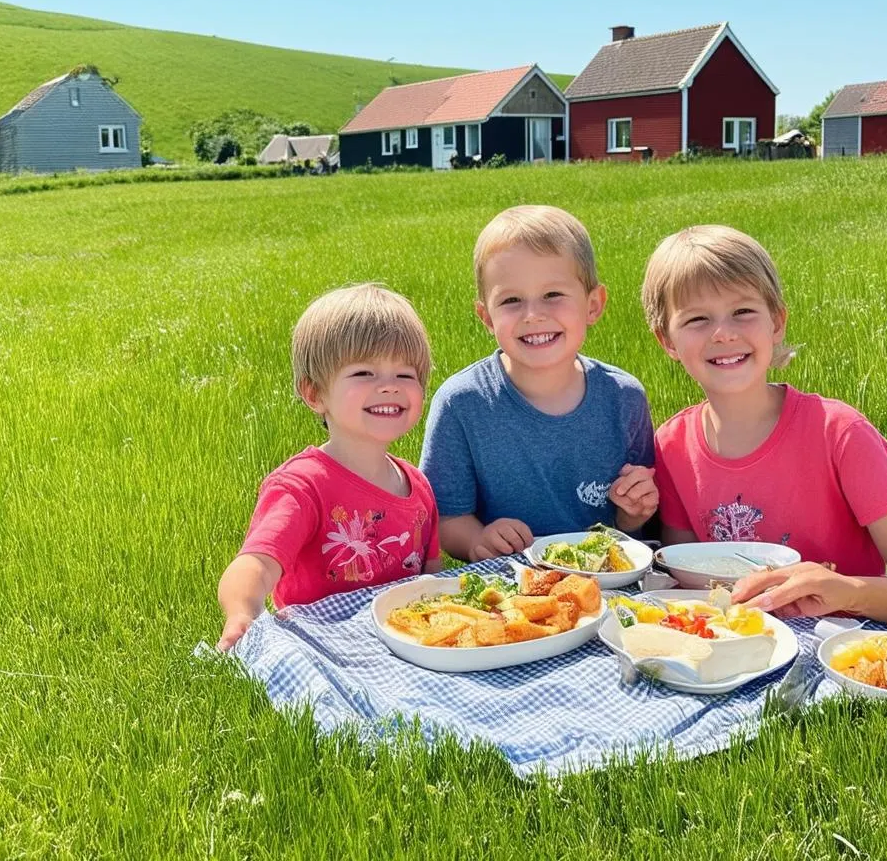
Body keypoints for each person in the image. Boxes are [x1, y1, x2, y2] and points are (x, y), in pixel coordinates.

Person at [642, 224, 887, 628]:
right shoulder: (671, 447)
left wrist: (848, 590)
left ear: (777, 322)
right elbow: (688, 585)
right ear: (667, 341)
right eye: (697, 319)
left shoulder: (838, 433)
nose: (724, 333)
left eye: (743, 311)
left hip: (848, 646)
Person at [420, 205, 658, 563]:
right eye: (511, 300)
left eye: (553, 295)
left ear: (593, 305)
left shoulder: (623, 398)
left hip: (606, 582)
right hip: (508, 591)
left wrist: (634, 512)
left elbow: (631, 525)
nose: (533, 315)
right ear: (486, 317)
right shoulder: (462, 404)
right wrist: (478, 539)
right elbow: (446, 519)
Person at [217, 284, 440, 651]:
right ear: (314, 394)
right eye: (364, 373)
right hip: (326, 650)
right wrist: (242, 612)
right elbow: (255, 564)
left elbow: (431, 579)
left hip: (401, 647)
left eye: (405, 375)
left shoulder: (417, 485)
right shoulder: (303, 486)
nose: (389, 387)